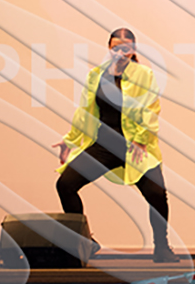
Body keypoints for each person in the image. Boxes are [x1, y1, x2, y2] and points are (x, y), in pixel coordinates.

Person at [53, 28, 178, 263]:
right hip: (104, 146)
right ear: (109, 48)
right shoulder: (96, 75)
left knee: (156, 194)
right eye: (115, 48)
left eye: (125, 49)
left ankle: (162, 247)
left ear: (133, 50)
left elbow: (151, 109)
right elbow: (85, 111)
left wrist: (141, 139)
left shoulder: (144, 75)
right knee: (65, 185)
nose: (120, 53)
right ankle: (86, 243)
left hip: (136, 147)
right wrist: (70, 140)